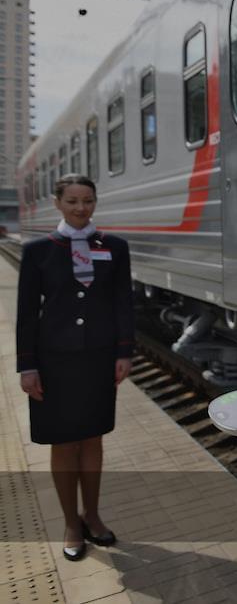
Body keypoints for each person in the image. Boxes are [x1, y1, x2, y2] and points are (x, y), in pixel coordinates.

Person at [16, 174, 133, 561]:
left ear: (95, 202)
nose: (81, 208)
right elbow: (27, 315)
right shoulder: (39, 251)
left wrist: (124, 353)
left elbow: (122, 302)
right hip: (54, 362)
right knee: (64, 442)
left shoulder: (114, 247)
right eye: (72, 201)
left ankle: (92, 515)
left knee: (93, 439)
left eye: (88, 200)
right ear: (57, 203)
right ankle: (71, 522)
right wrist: (27, 366)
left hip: (98, 359)